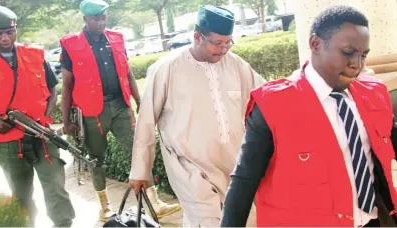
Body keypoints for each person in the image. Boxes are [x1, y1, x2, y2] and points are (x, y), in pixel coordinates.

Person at [220, 5, 397, 227]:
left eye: (363, 55)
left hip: (373, 220)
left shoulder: (374, 94)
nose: (357, 65)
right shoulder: (273, 105)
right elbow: (245, 180)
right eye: (348, 52)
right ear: (315, 44)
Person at [129, 5, 265, 227]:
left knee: (243, 219)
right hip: (189, 166)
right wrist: (140, 170)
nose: (223, 49)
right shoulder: (167, 68)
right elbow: (146, 120)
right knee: (207, 219)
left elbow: (266, 97)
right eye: (217, 43)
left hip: (234, 164)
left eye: (228, 42)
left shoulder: (237, 65)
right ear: (197, 37)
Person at [59, 0, 180, 221]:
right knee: (96, 159)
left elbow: (129, 74)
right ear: (85, 19)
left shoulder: (116, 39)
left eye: (103, 17)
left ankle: (154, 201)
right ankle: (104, 206)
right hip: (91, 112)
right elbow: (66, 85)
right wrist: (66, 121)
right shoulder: (71, 44)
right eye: (96, 18)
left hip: (121, 106)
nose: (101, 21)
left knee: (139, 149)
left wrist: (140, 101)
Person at [0, 5, 75, 227]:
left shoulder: (34, 54)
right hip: (7, 143)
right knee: (21, 195)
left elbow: (52, 90)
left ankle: (64, 224)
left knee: (56, 186)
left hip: (42, 137)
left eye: (10, 32)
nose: (5, 38)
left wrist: (43, 117)